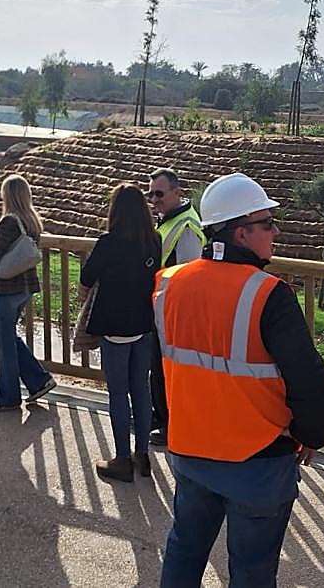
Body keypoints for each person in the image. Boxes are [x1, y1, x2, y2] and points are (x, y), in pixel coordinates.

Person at [156, 172, 324, 587]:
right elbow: (307, 379)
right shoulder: (269, 293)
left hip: (190, 449)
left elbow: (161, 368)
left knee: (184, 549)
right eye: (267, 223)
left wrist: (172, 425)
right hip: (258, 460)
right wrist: (312, 433)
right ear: (241, 233)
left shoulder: (169, 283)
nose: (276, 231)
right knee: (252, 571)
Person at [81, 184, 161, 482]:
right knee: (141, 387)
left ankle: (122, 458)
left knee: (118, 391)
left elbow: (87, 277)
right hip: (144, 323)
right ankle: (143, 454)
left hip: (114, 325)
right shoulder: (154, 240)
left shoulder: (108, 242)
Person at [0, 174, 56, 414]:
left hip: (5, 289)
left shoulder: (9, 221)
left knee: (4, 343)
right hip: (24, 288)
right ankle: (39, 380)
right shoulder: (32, 221)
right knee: (9, 337)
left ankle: (8, 397)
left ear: (7, 195)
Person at [147, 168, 204, 445]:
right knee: (159, 369)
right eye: (150, 194)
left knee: (168, 372)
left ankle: (171, 426)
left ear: (177, 192)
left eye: (159, 193)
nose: (154, 199)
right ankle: (161, 419)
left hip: (173, 313)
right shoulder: (169, 220)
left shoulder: (187, 226)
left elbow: (188, 276)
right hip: (162, 310)